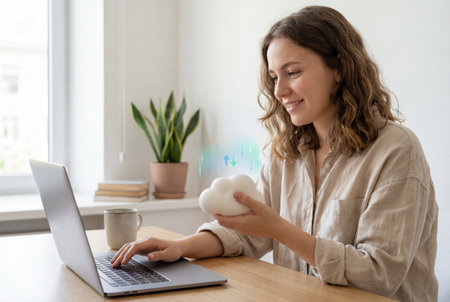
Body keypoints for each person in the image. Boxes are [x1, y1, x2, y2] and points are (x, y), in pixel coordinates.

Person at [111, 6, 438, 301]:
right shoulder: (288, 152)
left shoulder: (396, 150)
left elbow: (379, 275)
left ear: (339, 67)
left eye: (293, 72)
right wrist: (180, 247)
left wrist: (278, 229)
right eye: (273, 77)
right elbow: (248, 233)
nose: (280, 91)